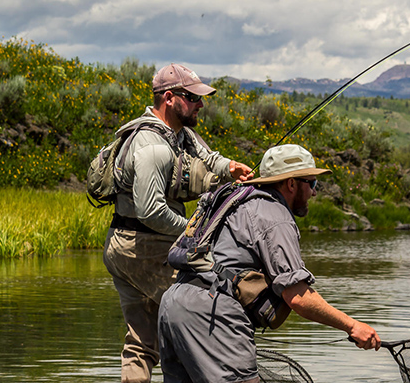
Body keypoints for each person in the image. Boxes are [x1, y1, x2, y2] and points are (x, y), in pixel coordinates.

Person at [158, 144, 381, 383]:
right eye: (312, 183)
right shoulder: (274, 214)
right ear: (291, 184)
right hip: (212, 313)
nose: (314, 192)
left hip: (173, 303)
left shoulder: (237, 201)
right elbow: (297, 296)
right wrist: (352, 326)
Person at [102, 63, 254, 383]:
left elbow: (207, 158)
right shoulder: (153, 147)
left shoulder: (179, 133)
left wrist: (232, 168)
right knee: (204, 309)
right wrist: (194, 231)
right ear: (169, 98)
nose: (201, 104)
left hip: (125, 244)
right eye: (194, 98)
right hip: (140, 246)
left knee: (141, 342)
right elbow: (151, 211)